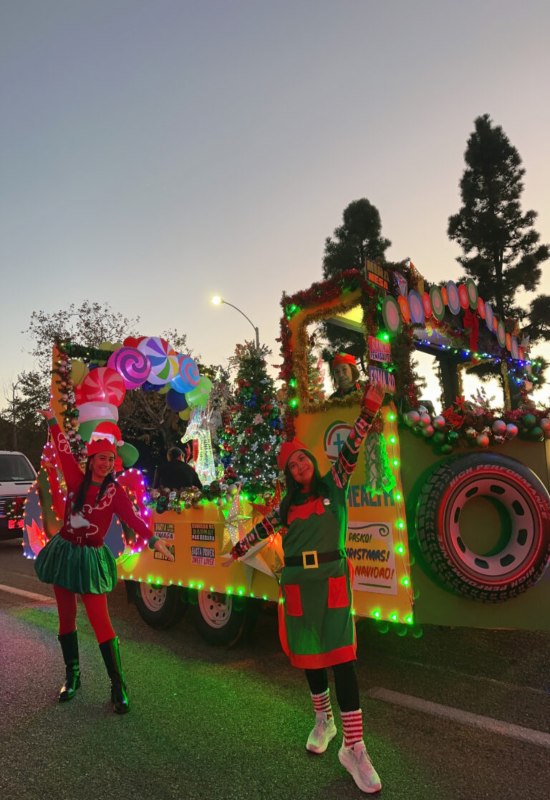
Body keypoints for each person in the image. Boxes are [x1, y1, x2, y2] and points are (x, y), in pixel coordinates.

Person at [229, 382, 385, 794]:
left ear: (312, 462)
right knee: (311, 657)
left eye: (302, 460)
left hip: (332, 579)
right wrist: (237, 549)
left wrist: (368, 411)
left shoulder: (335, 484)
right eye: (292, 465)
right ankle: (323, 720)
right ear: (288, 474)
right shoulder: (286, 507)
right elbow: (262, 529)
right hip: (297, 583)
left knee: (343, 659)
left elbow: (352, 447)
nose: (299, 467)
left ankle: (354, 746)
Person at [35, 409, 174, 714]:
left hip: (91, 558)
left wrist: (154, 540)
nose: (106, 463)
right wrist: (52, 422)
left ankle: (117, 685)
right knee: (66, 617)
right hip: (65, 554)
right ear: (91, 460)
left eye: (110, 459)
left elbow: (133, 519)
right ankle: (72, 676)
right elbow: (63, 451)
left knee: (101, 620)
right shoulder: (76, 479)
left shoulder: (115, 492)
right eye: (101, 458)